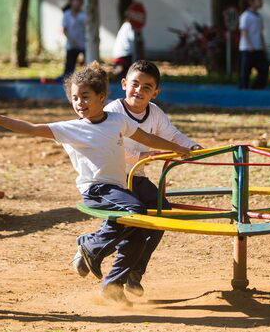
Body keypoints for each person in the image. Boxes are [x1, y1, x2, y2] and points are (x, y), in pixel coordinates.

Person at [0, 63, 194, 306]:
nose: (79, 103)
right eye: (75, 98)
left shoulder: (118, 120)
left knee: (140, 230)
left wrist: (179, 148)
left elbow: (148, 138)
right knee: (136, 212)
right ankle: (90, 247)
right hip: (96, 189)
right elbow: (32, 128)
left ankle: (114, 283)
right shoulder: (73, 128)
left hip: (118, 189)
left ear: (101, 97)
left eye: (85, 97)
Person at [72, 60, 202, 297]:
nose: (139, 91)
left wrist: (191, 146)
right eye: (135, 85)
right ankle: (91, 248)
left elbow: (171, 134)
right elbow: (108, 147)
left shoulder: (155, 113)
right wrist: (145, 154)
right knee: (133, 222)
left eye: (146, 87)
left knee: (162, 213)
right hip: (114, 179)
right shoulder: (112, 112)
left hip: (137, 177)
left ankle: (132, 273)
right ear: (124, 84)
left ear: (155, 92)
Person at [238, 0, 270, 90]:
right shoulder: (245, 16)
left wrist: (263, 46)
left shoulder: (259, 17)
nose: (261, 1)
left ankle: (256, 87)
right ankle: (244, 89)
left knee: (264, 68)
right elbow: (244, 31)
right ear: (251, 2)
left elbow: (260, 33)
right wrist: (250, 45)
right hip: (247, 49)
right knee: (245, 71)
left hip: (258, 49)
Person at [62, 0, 86, 77]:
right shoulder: (66, 14)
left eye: (81, 0)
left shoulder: (84, 15)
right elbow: (65, 29)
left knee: (87, 67)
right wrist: (71, 41)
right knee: (69, 68)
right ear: (71, 1)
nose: (80, 2)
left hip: (83, 45)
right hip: (71, 45)